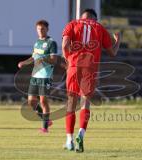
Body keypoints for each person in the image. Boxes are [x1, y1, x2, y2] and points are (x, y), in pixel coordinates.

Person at [62, 9, 121, 152]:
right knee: (85, 103)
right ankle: (81, 133)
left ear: (82, 16)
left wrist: (68, 60)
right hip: (90, 68)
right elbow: (112, 53)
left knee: (71, 103)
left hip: (74, 66)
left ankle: (69, 140)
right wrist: (118, 41)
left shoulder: (72, 24)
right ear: (94, 18)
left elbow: (64, 45)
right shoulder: (99, 27)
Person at [18, 20, 58, 133]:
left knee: (43, 101)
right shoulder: (36, 43)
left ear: (47, 29)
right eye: (38, 29)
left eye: (43, 29)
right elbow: (33, 57)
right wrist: (23, 62)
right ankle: (47, 120)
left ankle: (44, 128)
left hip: (45, 76)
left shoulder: (51, 43)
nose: (40, 31)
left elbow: (54, 60)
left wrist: (43, 58)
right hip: (35, 75)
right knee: (31, 102)